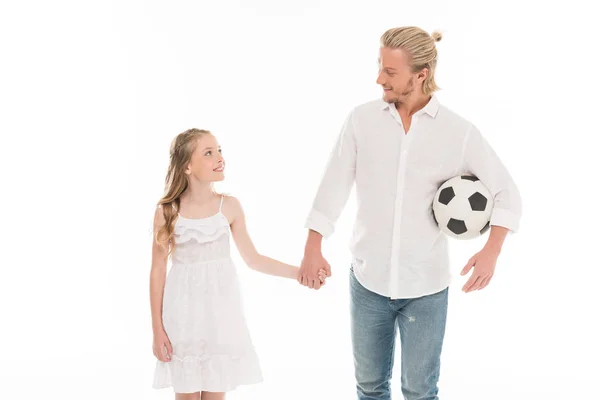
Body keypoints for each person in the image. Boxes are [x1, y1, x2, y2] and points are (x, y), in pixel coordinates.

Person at [297, 26, 522, 400]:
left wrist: (491, 251)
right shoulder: (361, 120)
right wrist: (312, 245)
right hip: (367, 283)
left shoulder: (458, 132)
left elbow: (507, 194)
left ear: (422, 75)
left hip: (426, 288)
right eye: (380, 67)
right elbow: (332, 186)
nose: (378, 78)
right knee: (369, 388)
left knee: (420, 391)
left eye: (390, 72)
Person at [150, 128, 327, 400]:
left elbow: (253, 259)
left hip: (219, 317)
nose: (219, 157)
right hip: (182, 317)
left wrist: (299, 273)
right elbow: (158, 270)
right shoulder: (168, 211)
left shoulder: (229, 207)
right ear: (187, 165)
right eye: (208, 153)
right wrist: (157, 328)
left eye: (219, 150)